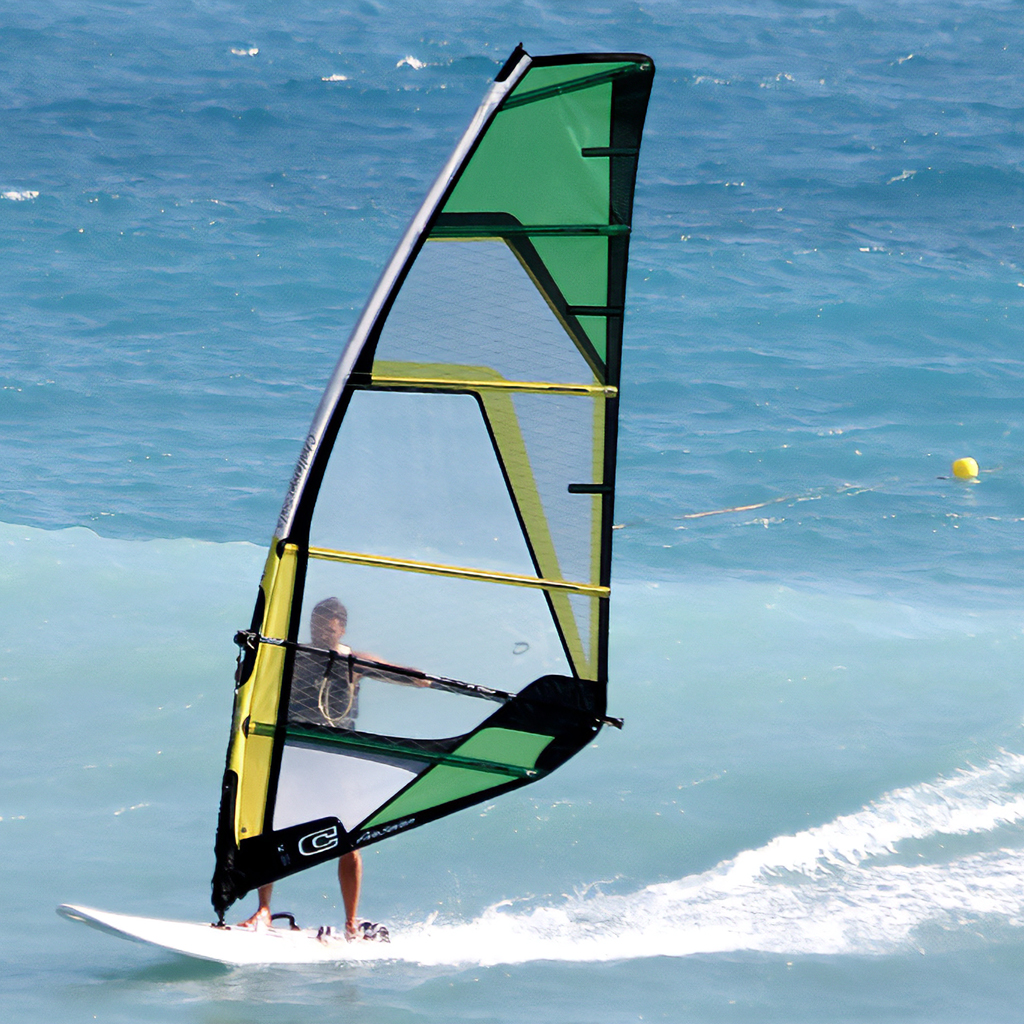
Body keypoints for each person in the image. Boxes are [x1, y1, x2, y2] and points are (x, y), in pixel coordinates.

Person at [240, 597, 364, 938]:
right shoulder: (294, 656)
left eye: (327, 625)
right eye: (315, 624)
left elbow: (409, 678)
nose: (319, 630)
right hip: (297, 754)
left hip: (338, 758)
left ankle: (351, 924)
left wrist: (420, 679)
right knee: (270, 829)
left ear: (341, 627)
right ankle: (263, 909)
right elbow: (250, 675)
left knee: (349, 841)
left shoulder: (353, 660)